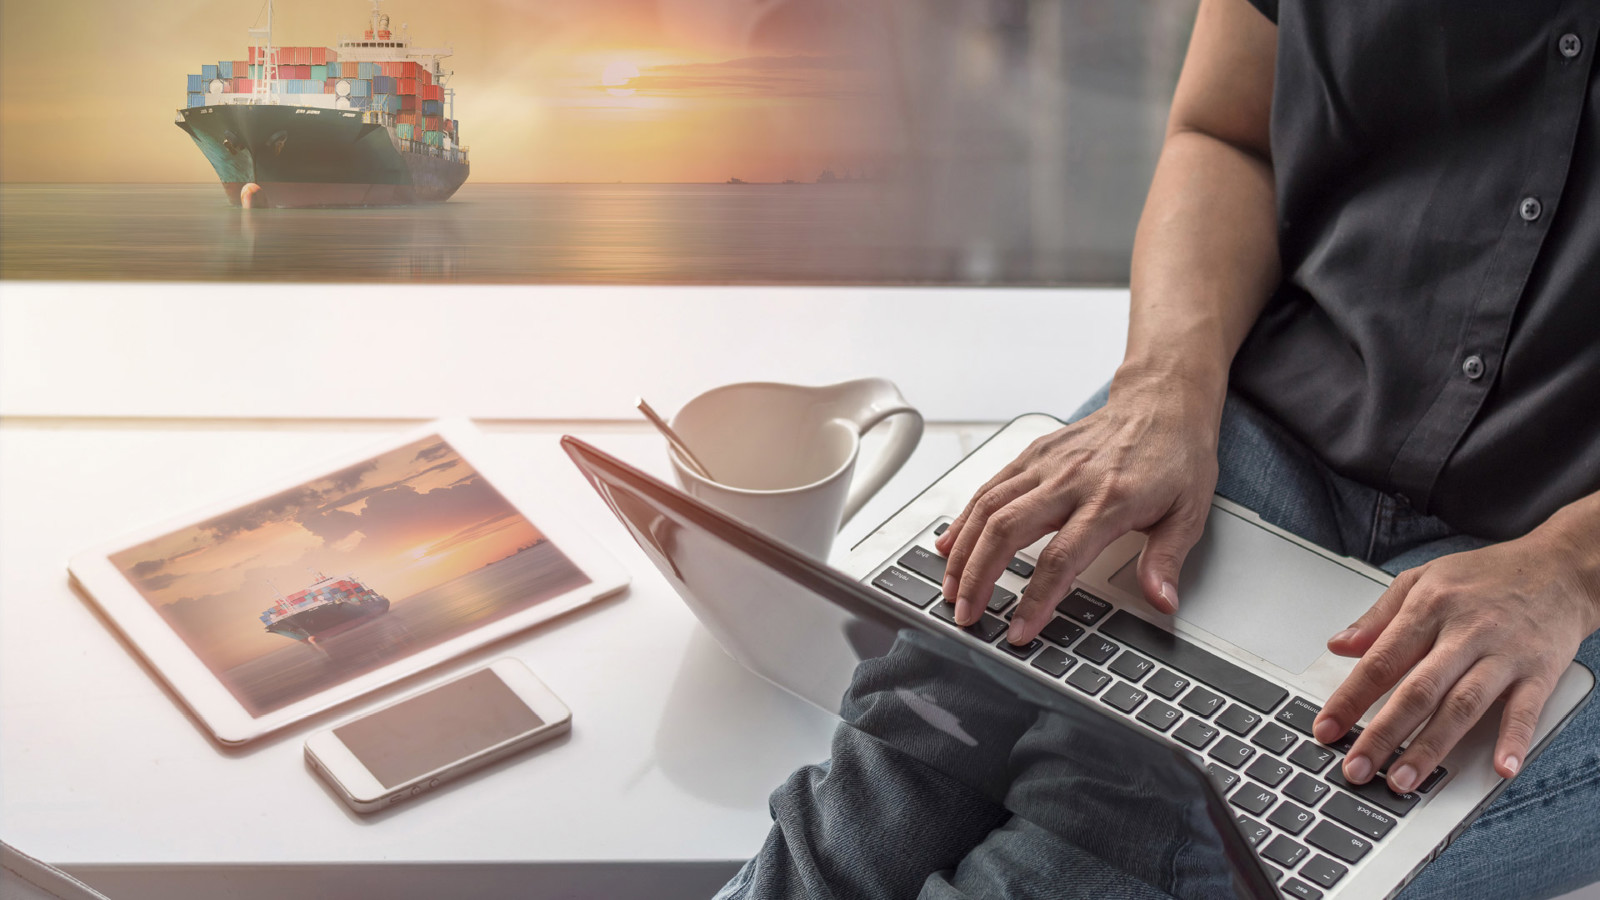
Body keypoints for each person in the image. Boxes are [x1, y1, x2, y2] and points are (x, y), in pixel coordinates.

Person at [719, 0, 1600, 896]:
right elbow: (1226, 130)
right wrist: (1163, 382)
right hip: (1259, 411)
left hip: (1563, 561)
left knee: (1139, 852)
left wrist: (1574, 566)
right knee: (906, 751)